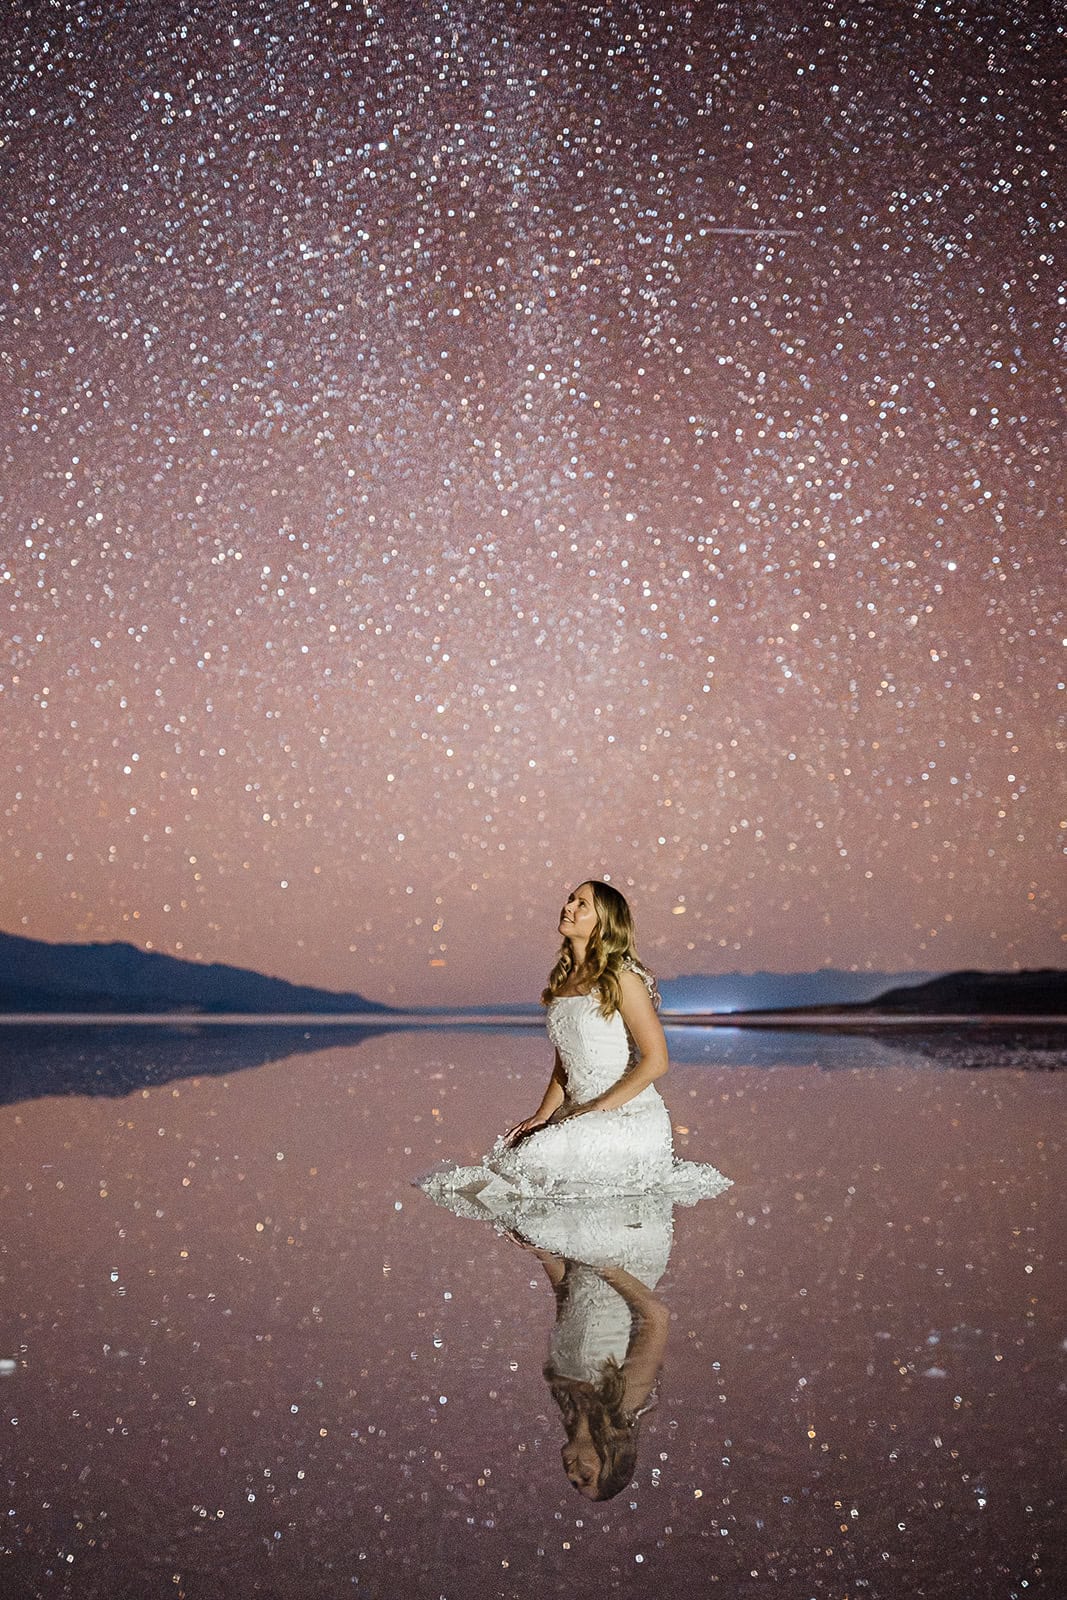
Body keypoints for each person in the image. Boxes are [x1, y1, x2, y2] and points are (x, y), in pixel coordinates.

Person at [417, 880, 731, 1207]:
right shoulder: (564, 983)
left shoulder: (623, 978)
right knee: (511, 1157)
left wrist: (598, 1108)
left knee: (530, 1167)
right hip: (577, 1111)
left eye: (582, 904)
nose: (568, 907)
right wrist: (542, 1114)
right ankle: (545, 1252)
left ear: (604, 924)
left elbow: (657, 1060)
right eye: (570, 899)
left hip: (626, 1115)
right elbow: (564, 1065)